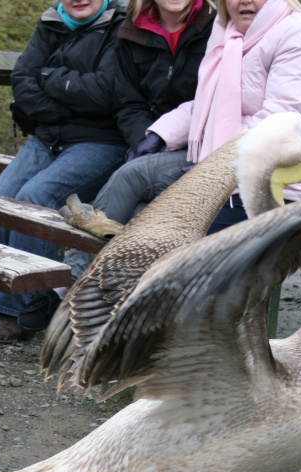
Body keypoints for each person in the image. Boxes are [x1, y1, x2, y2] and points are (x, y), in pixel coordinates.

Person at [71, 0, 301, 247]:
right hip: (221, 160)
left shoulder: (298, 36)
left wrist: (209, 170)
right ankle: (78, 283)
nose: (245, 1)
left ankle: (130, 291)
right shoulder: (229, 33)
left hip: (281, 180)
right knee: (132, 175)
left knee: (155, 224)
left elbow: (279, 124)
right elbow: (206, 103)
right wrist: (159, 135)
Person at [0, 0, 128, 344]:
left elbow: (104, 92)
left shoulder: (120, 25)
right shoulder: (51, 22)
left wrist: (48, 78)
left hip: (100, 140)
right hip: (48, 137)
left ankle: (24, 305)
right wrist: (63, 106)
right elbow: (22, 79)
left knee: (35, 196)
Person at [61, 0, 216, 282]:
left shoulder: (217, 27)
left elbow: (217, 103)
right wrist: (146, 140)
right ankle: (97, 291)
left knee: (136, 196)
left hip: (201, 143)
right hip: (147, 140)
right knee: (136, 202)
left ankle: (80, 282)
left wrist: (164, 139)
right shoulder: (132, 30)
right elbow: (127, 102)